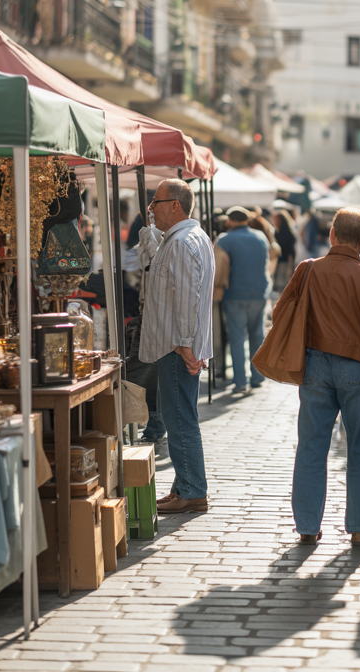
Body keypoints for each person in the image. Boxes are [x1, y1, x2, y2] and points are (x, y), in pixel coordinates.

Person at [282, 208, 360, 546]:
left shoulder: (308, 269)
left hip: (315, 364)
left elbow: (282, 310)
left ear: (331, 235)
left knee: (312, 445)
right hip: (359, 366)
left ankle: (307, 525)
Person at [139, 179, 215, 514]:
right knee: (181, 416)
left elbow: (187, 298)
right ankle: (184, 486)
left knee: (180, 418)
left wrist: (185, 344)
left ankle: (193, 490)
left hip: (176, 345)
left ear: (175, 205)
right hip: (176, 343)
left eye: (156, 201)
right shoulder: (186, 238)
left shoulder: (184, 241)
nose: (151, 208)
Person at [214, 206, 271, 394]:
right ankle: (257, 377)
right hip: (259, 293)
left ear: (230, 221)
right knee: (257, 335)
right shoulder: (260, 237)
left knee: (237, 338)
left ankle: (240, 381)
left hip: (234, 294)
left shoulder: (225, 240)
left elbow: (218, 269)